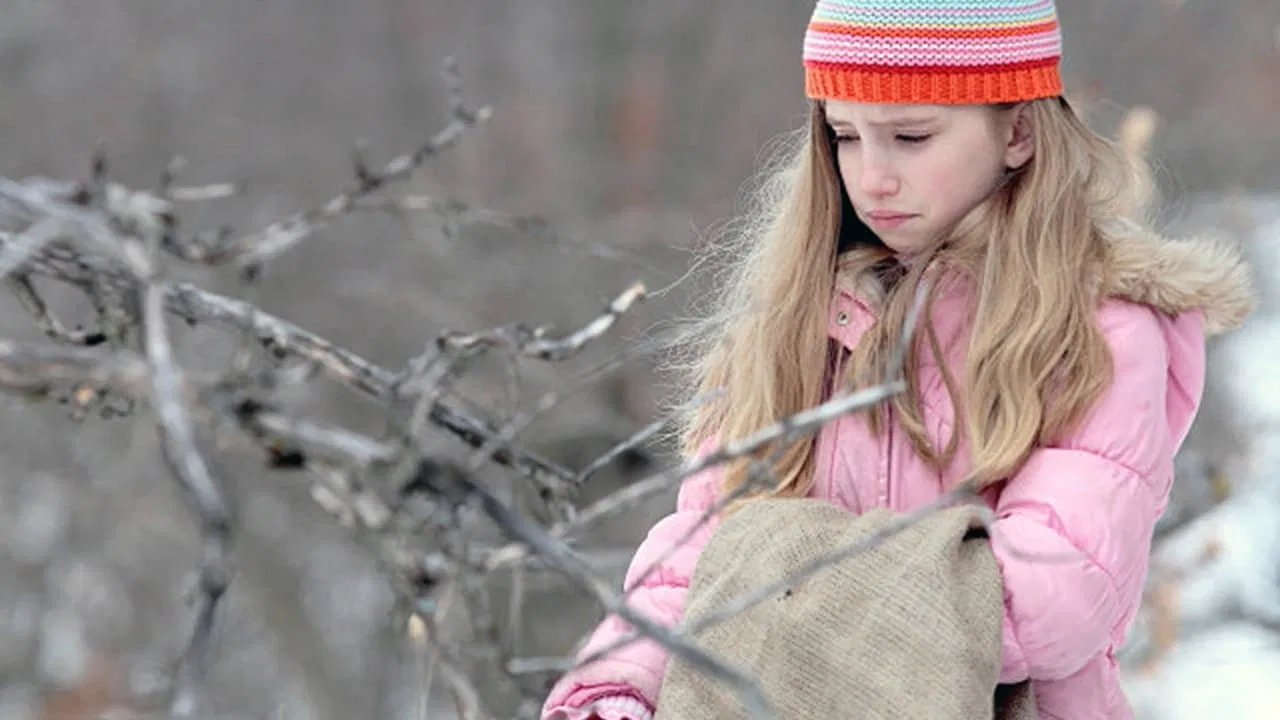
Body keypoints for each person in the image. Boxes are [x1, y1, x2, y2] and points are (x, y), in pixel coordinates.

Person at [542, 0, 1257, 718]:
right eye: (845, 136)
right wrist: (617, 688)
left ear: (1017, 131)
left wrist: (775, 560)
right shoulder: (800, 315)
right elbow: (699, 563)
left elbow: (1050, 601)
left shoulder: (1100, 329)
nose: (872, 177)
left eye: (911, 136)